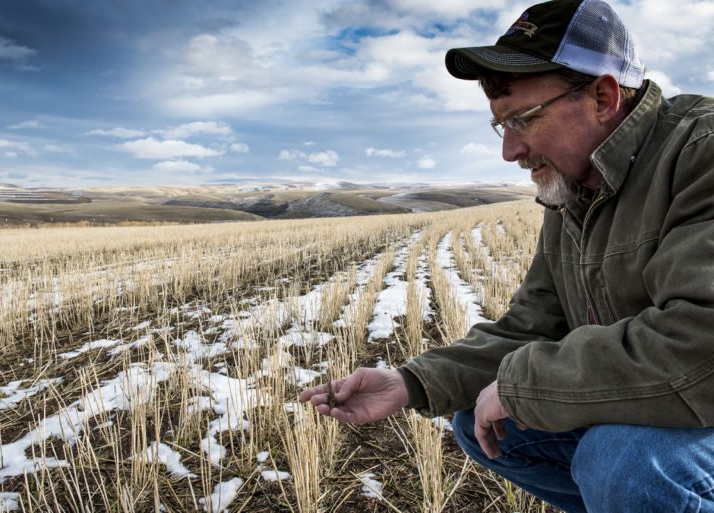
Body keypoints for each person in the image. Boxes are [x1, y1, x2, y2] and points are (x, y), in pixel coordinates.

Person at [300, 0, 714, 511]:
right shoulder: (575, 189)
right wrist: (410, 382)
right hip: (676, 401)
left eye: (523, 120)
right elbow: (533, 327)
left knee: (624, 460)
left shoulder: (701, 152)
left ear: (603, 97)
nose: (509, 151)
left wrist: (523, 385)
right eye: (501, 126)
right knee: (483, 421)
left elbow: (702, 345)